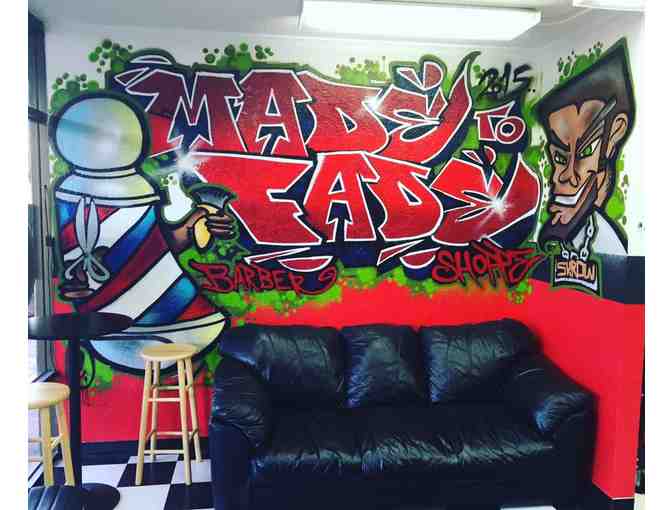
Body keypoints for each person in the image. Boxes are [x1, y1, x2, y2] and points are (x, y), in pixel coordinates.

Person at [536, 43, 634, 258]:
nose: (565, 176)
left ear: (615, 132)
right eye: (560, 157)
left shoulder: (608, 246)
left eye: (586, 150)